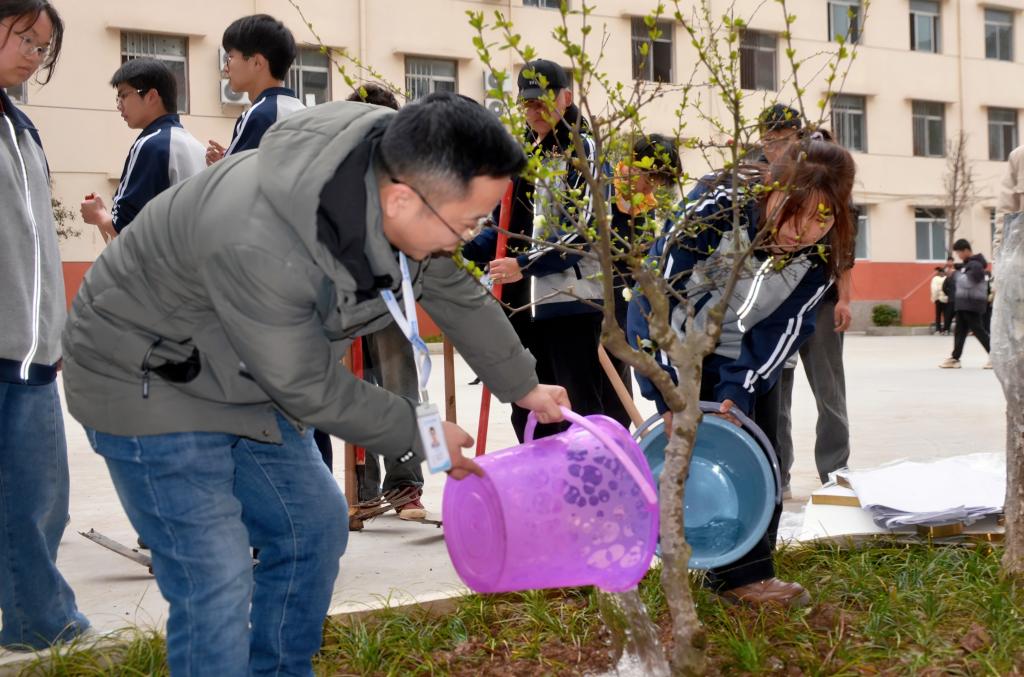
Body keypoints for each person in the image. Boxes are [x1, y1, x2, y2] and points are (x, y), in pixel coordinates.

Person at [62, 92, 568, 676]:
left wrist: (524, 387)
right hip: (146, 376)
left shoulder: (392, 177)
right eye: (468, 222)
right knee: (215, 575)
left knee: (312, 529)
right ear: (403, 199)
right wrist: (425, 435)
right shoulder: (262, 237)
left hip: (244, 373)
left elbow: (451, 290)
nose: (468, 236)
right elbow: (305, 383)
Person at [629, 138, 858, 607]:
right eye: (794, 212)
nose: (801, 232)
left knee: (761, 455)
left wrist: (740, 389)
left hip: (743, 352)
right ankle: (678, 558)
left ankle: (744, 577)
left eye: (822, 219)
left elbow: (782, 330)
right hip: (680, 342)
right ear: (772, 189)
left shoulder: (823, 255)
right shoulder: (717, 207)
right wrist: (668, 391)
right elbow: (654, 297)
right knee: (683, 454)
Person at [0, 0, 90, 650]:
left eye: (43, 47)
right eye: (25, 38)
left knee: (38, 499)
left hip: (30, 353)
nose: (34, 55)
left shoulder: (20, 127)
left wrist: (53, 331)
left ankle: (38, 619)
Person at [465, 58, 612, 441]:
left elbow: (584, 232)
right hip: (518, 305)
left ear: (566, 98)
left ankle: (587, 477)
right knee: (528, 408)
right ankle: (540, 476)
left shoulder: (584, 151)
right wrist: (458, 243)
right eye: (527, 104)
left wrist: (524, 265)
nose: (534, 112)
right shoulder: (521, 154)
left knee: (577, 407)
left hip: (569, 300)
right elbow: (501, 226)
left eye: (542, 102)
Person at [759, 110, 854, 493]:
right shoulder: (763, 181)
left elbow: (844, 249)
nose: (774, 148)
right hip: (775, 299)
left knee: (829, 389)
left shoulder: (827, 182)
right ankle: (776, 472)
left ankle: (835, 471)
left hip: (823, 300)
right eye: (768, 140)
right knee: (775, 387)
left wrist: (845, 298)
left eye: (782, 140)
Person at [345, 83, 426, 517]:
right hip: (346, 297)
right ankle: (361, 485)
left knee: (400, 389)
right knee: (355, 390)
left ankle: (405, 485)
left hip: (393, 295)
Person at [603, 133, 681, 427]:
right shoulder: (603, 191)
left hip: (626, 309)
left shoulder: (646, 207)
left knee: (618, 396)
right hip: (594, 304)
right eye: (650, 178)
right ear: (634, 162)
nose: (651, 188)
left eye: (657, 183)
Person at [79, 58, 205, 241]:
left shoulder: (151, 144)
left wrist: (98, 215)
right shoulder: (196, 146)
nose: (119, 105)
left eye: (123, 95)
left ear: (151, 96)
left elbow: (125, 230)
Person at [205, 14, 304, 165]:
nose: (225, 68)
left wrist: (221, 167)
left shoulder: (258, 115)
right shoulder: (301, 110)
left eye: (230, 57)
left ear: (257, 62)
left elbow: (238, 176)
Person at [939, 238, 992, 369]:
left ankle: (996, 357)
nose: (958, 255)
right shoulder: (968, 264)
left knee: (978, 330)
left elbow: (971, 281)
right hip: (964, 303)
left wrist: (955, 275)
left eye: (959, 252)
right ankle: (955, 358)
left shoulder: (976, 265)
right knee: (960, 331)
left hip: (972, 303)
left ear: (967, 250)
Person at [930, 266, 951, 335]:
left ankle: (938, 330)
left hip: (938, 299)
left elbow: (934, 290)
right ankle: (946, 329)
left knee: (938, 315)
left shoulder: (935, 279)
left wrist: (934, 298)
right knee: (946, 315)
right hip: (946, 299)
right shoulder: (947, 278)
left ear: (938, 272)